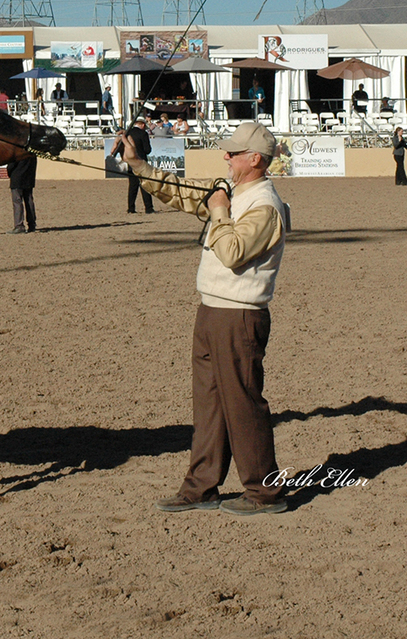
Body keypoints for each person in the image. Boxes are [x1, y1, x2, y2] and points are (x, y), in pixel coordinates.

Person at [119, 121, 288, 516]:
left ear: (255, 159)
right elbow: (180, 192)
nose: (225, 156)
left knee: (243, 404)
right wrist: (139, 165)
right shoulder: (231, 191)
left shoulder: (264, 205)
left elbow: (232, 252)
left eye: (234, 152)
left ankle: (265, 492)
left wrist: (219, 210)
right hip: (213, 310)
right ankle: (201, 487)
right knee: (209, 406)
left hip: (239, 315)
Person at [125, 116, 154, 214]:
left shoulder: (128, 133)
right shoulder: (143, 134)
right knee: (145, 185)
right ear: (142, 124)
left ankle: (131, 208)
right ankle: (148, 208)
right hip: (141, 163)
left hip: (131, 162)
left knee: (132, 187)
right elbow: (147, 149)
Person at [7, 155, 37, 233]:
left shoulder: (17, 152)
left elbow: (10, 166)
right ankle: (32, 224)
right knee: (29, 201)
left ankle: (19, 225)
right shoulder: (32, 153)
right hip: (28, 179)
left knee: (17, 202)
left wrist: (11, 174)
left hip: (17, 179)